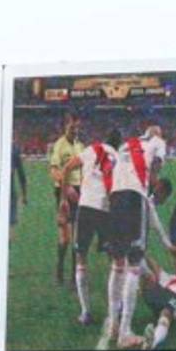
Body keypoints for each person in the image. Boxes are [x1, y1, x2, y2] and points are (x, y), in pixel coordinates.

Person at [103, 124, 172, 349]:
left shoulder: (126, 145)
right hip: (135, 199)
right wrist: (151, 191)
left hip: (114, 198)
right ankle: (125, 332)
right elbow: (154, 174)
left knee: (117, 264)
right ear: (156, 134)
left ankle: (113, 325)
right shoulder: (157, 142)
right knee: (134, 264)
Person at [60, 128, 120, 326]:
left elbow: (67, 168)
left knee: (81, 258)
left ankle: (86, 312)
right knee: (115, 259)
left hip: (86, 207)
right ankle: (116, 308)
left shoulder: (92, 149)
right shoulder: (119, 157)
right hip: (106, 209)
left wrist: (64, 198)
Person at [49, 113, 83, 284]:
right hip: (63, 192)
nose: (75, 131)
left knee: (78, 238)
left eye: (77, 127)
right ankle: (59, 271)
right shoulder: (59, 146)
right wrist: (66, 186)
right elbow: (53, 171)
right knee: (65, 237)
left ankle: (73, 278)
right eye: (72, 128)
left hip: (79, 192)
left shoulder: (80, 146)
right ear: (65, 127)